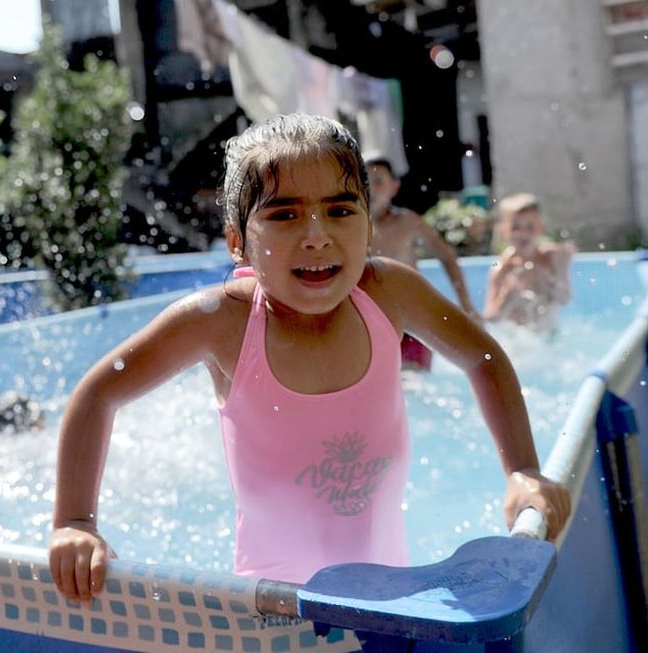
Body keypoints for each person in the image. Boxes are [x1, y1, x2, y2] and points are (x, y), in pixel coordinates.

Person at [49, 114, 571, 601]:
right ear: (238, 242)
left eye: (340, 210)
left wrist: (522, 469)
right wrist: (75, 521)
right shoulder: (220, 321)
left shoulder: (389, 292)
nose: (317, 235)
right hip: (270, 608)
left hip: (390, 586)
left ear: (369, 227)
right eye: (284, 214)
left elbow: (482, 356)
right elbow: (99, 392)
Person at [366, 156, 480, 370]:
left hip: (412, 323)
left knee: (414, 383)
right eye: (365, 181)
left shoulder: (407, 223)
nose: (371, 188)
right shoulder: (352, 228)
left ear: (395, 186)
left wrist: (466, 305)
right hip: (372, 327)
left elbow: (447, 257)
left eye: (379, 181)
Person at [484, 193, 575, 331]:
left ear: (541, 228)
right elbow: (490, 318)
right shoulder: (502, 269)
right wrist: (505, 299)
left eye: (530, 227)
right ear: (504, 231)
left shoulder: (550, 260)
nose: (523, 233)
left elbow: (564, 299)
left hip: (548, 335)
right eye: (515, 228)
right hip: (517, 340)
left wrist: (561, 270)